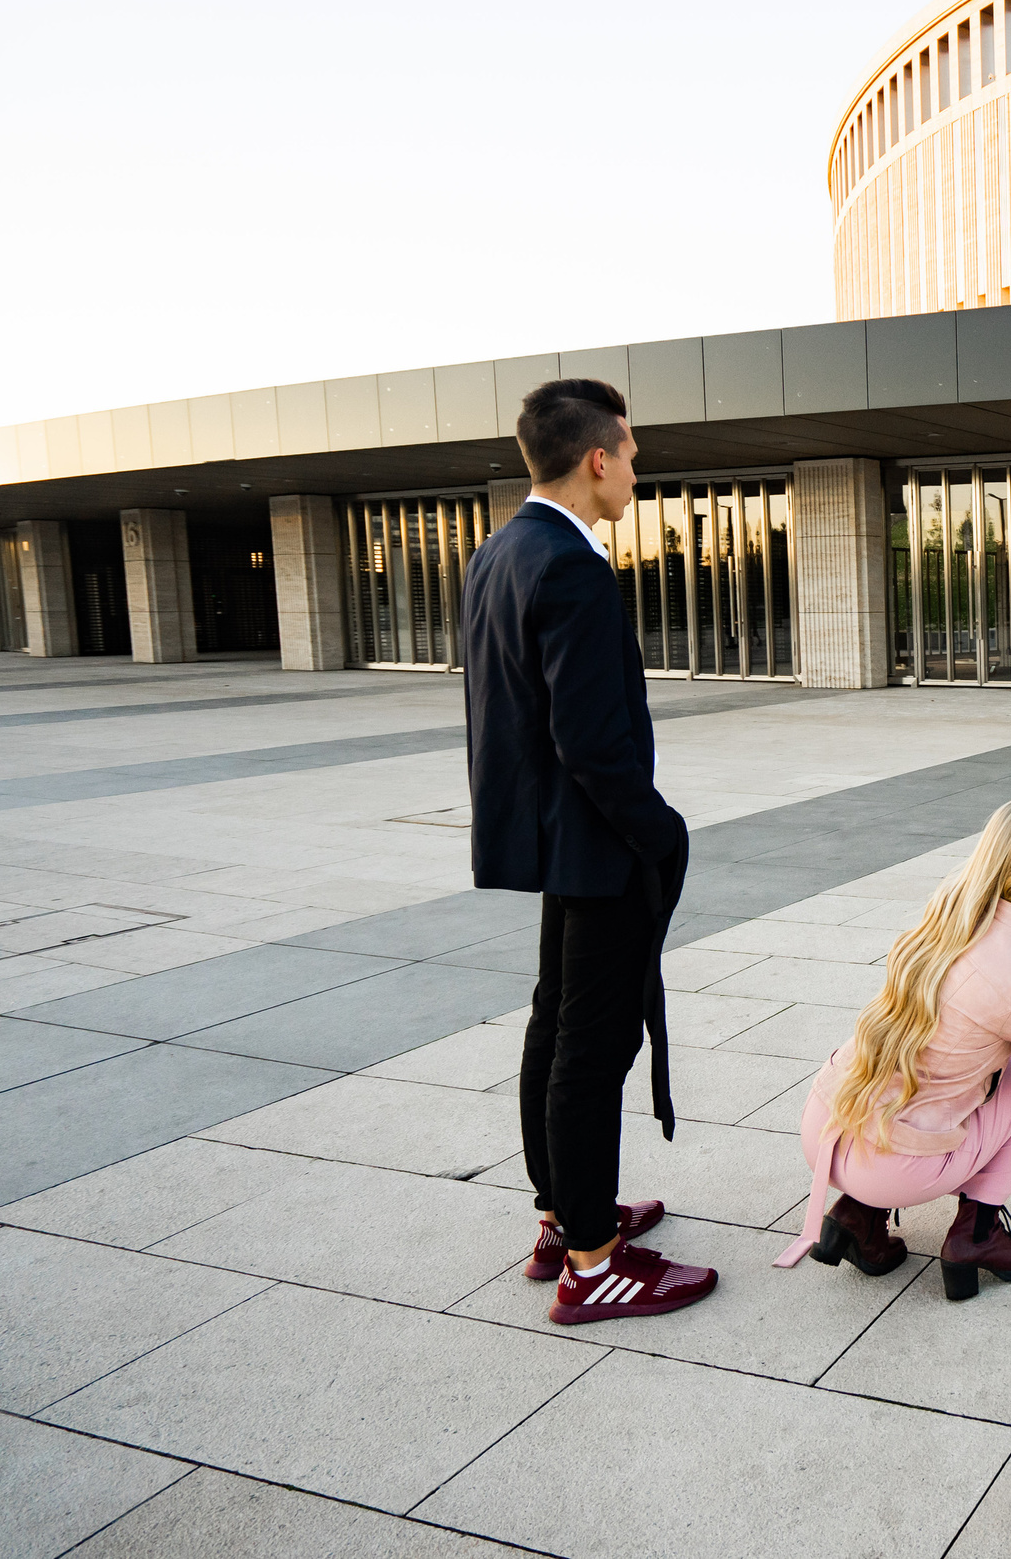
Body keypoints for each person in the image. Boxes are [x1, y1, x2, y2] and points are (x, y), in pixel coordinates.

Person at [461, 377, 716, 1327]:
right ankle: (595, 1263)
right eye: (634, 454)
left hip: (551, 840)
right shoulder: (569, 563)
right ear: (598, 457)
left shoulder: (500, 551)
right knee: (590, 1046)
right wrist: (661, 830)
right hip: (597, 842)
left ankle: (566, 1216)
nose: (639, 470)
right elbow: (589, 736)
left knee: (553, 1024)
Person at [776, 795, 1011, 1301]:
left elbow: (979, 992)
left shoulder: (940, 919)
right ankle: (976, 1235)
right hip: (895, 1168)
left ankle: (856, 1213)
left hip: (826, 1130)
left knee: (918, 1061)